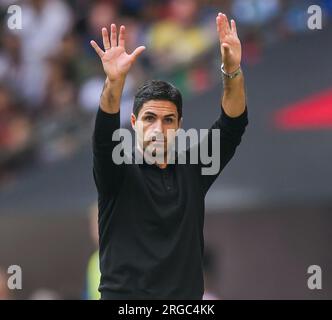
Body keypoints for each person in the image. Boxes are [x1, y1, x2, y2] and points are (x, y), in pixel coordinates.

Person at [90, 12, 248, 299]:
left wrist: (232, 70)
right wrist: (114, 83)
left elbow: (233, 125)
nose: (158, 128)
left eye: (168, 120)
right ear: (135, 123)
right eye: (149, 118)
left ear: (179, 126)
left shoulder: (193, 169)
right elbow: (103, 136)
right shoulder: (117, 170)